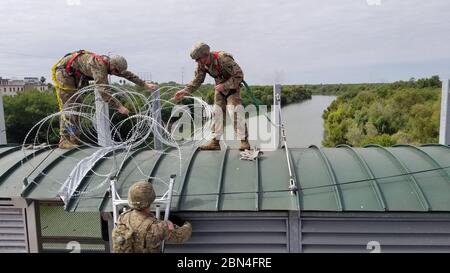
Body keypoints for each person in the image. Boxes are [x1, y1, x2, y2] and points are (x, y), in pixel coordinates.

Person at [51, 50, 158, 149]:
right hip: (64, 72)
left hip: (74, 74)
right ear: (112, 64)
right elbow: (103, 91)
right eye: (115, 71)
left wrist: (145, 85)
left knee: (77, 105)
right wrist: (119, 106)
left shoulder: (112, 65)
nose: (116, 73)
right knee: (71, 105)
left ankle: (75, 138)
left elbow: (127, 74)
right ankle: (64, 139)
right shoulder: (99, 66)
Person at [174, 42, 250, 151]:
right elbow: (198, 80)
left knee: (234, 112)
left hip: (232, 88)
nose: (197, 62)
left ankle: (244, 142)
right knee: (217, 113)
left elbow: (239, 75)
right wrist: (185, 91)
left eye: (199, 59)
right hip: (219, 89)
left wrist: (224, 86)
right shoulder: (202, 64)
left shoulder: (223, 59)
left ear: (206, 55)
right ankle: (215, 142)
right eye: (196, 60)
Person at [111, 180, 192, 253]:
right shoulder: (158, 227)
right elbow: (181, 236)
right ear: (151, 199)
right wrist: (187, 224)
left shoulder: (122, 218)